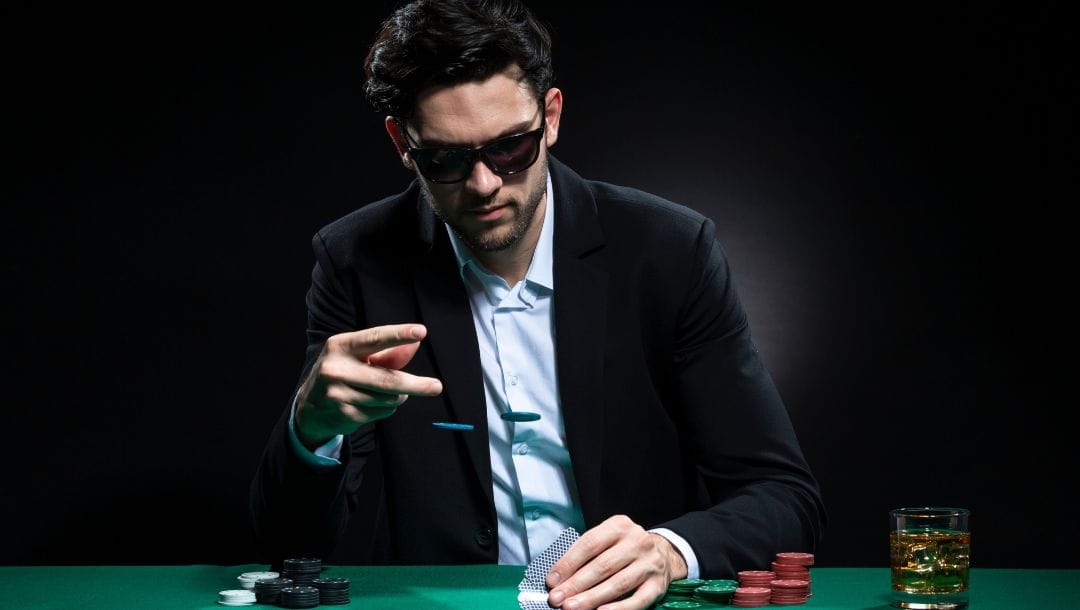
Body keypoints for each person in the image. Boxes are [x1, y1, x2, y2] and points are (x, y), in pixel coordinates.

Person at [250, 1, 826, 608]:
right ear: (402, 142)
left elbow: (784, 496)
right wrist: (310, 432)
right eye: (444, 159)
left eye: (510, 148)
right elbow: (291, 548)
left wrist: (667, 550)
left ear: (550, 117)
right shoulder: (354, 261)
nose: (483, 184)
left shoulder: (669, 251)